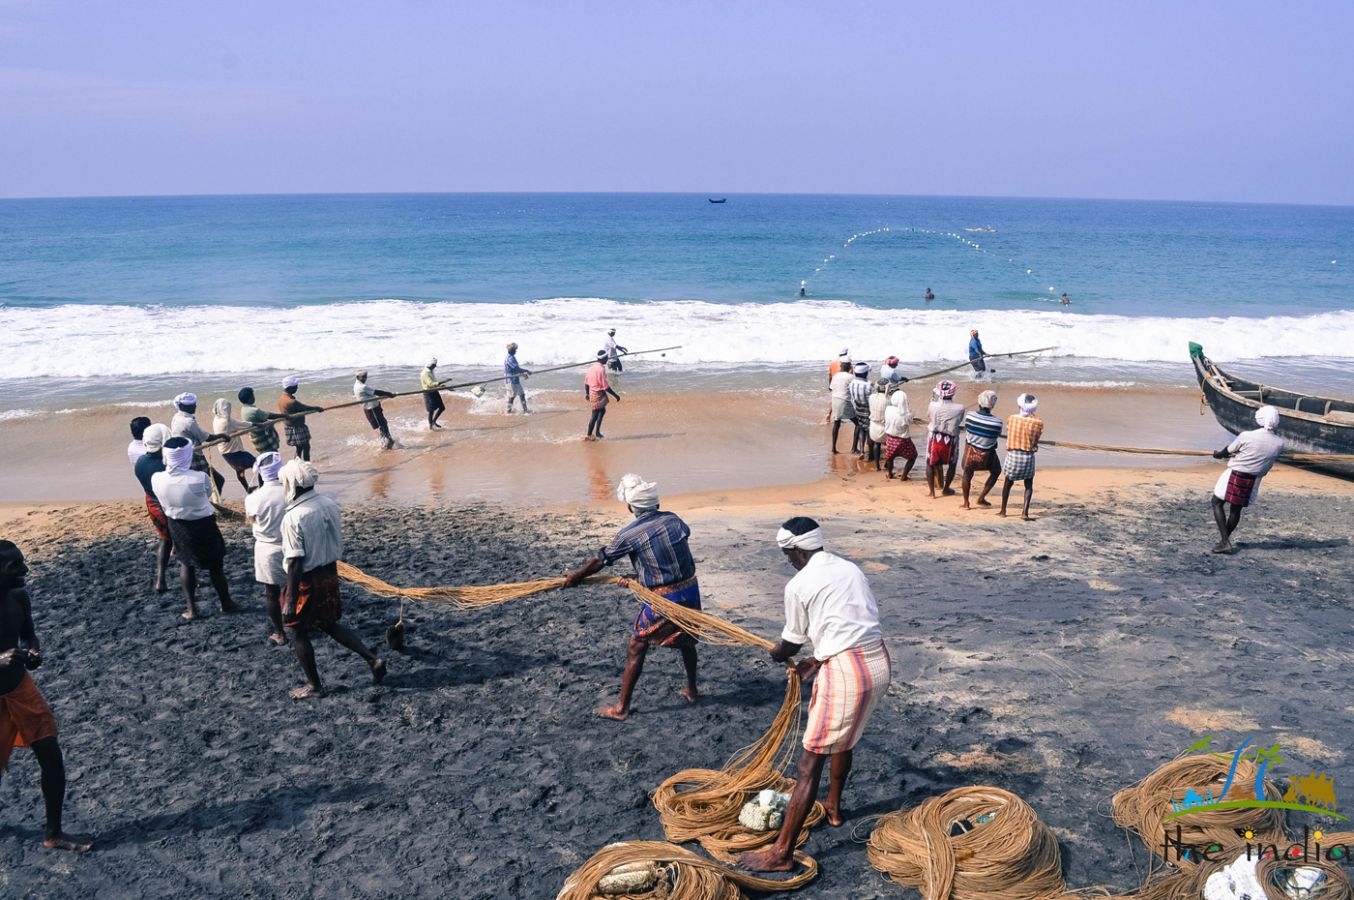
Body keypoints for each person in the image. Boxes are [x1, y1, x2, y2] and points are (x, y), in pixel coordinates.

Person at [739, 518, 891, 871]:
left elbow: (790, 641)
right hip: (877, 662)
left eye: (786, 554)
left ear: (795, 549)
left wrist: (777, 653)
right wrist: (820, 657)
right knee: (844, 739)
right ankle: (834, 808)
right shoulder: (849, 568)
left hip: (846, 674)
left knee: (809, 763)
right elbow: (851, 623)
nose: (787, 561)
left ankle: (781, 854)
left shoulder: (798, 584)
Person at [563, 474, 700, 721]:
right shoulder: (675, 520)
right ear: (656, 504)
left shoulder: (629, 534)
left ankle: (621, 709)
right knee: (686, 641)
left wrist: (576, 576)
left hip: (665, 598)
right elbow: (670, 555)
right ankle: (692, 689)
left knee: (637, 645)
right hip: (690, 590)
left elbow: (601, 559)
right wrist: (640, 575)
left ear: (629, 507)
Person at [0, 542, 92, 852]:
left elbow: (28, 634)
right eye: (15, 566)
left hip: (20, 689)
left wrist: (33, 650)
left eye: (22, 562)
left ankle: (54, 833)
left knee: (51, 756)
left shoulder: (18, 597)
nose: (24, 570)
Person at [278, 460, 385, 699]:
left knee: (296, 632)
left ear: (292, 485)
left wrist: (290, 601)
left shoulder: (293, 517)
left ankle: (314, 686)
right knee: (328, 624)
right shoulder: (329, 504)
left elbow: (295, 562)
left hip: (307, 579)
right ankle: (372, 659)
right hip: (330, 574)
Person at [152, 437, 237, 620]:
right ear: (187, 455)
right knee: (216, 566)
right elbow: (208, 494)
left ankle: (191, 609)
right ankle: (226, 603)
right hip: (204, 523)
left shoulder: (157, 478)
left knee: (186, 563)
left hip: (177, 524)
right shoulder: (199, 478)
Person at [1210, 406, 1285, 555]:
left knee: (1216, 502)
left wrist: (1217, 455)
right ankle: (1224, 541)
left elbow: (1229, 450)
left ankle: (1225, 541)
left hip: (1235, 474)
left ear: (1260, 419)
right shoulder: (1279, 443)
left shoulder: (1247, 436)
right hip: (1253, 479)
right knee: (1235, 510)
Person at [245, 452, 288, 645]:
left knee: (271, 592)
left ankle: (279, 633)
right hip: (293, 545)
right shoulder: (292, 491)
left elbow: (251, 520)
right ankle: (302, 623)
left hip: (267, 549)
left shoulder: (254, 498)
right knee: (295, 587)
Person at [133, 423, 174, 593]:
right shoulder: (165, 465)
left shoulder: (140, 463)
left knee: (165, 541)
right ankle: (193, 578)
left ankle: (160, 580)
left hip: (153, 507)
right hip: (169, 508)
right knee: (183, 543)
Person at [170, 392, 227, 494]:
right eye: (192, 405)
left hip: (182, 456)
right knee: (218, 480)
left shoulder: (176, 417)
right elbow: (207, 438)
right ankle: (211, 504)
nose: (195, 406)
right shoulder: (189, 422)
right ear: (183, 406)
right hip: (194, 457)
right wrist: (222, 436)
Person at [1000, 393, 1044, 520]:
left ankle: (1003, 511)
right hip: (1028, 456)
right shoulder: (1038, 422)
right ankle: (1024, 513)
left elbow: (1009, 430)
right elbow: (1036, 439)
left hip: (1013, 455)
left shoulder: (1012, 418)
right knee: (1028, 485)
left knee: (1008, 483)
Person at [961, 390, 1002, 509]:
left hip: (970, 454)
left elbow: (968, 429)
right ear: (992, 405)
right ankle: (981, 498)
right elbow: (994, 438)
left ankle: (966, 503)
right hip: (987, 456)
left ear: (979, 403)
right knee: (996, 471)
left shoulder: (970, 415)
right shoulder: (997, 422)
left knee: (967, 475)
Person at [926, 380, 964, 497]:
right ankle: (946, 488)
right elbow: (959, 420)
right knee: (952, 464)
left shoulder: (932, 405)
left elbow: (929, 415)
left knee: (930, 464)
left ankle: (932, 492)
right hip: (951, 439)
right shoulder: (960, 408)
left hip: (934, 437)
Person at [211, 398, 256, 494]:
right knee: (257, 465)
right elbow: (245, 425)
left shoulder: (216, 419)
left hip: (225, 452)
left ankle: (248, 489)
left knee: (239, 470)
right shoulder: (227, 422)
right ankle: (264, 485)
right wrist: (257, 424)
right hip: (235, 452)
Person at [278, 377, 324, 461]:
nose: (297, 388)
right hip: (297, 427)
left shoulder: (282, 398)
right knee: (306, 447)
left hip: (289, 426)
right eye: (295, 386)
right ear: (290, 388)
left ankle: (297, 465)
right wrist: (317, 408)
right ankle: (307, 466)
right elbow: (305, 408)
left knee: (299, 448)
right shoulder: (291, 402)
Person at [353, 370, 396, 449]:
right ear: (357, 377)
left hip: (373, 406)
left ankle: (386, 441)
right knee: (382, 424)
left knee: (382, 424)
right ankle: (387, 441)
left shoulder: (356, 385)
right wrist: (388, 394)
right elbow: (376, 392)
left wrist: (387, 395)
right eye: (363, 377)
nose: (365, 378)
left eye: (365, 376)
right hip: (371, 408)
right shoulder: (362, 387)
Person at [882, 385, 917, 480]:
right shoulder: (906, 414)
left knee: (890, 457)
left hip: (890, 438)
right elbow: (910, 421)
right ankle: (904, 476)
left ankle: (890, 474)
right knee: (913, 456)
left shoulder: (888, 409)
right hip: (903, 440)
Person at [584, 350, 621, 441]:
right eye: (606, 357)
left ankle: (597, 432)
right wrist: (615, 395)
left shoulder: (591, 367)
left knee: (602, 411)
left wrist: (587, 393)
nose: (607, 359)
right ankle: (588, 435)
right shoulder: (601, 369)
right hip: (597, 394)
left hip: (595, 392)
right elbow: (605, 386)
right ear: (603, 358)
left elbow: (586, 382)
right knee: (595, 415)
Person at [238, 387, 284, 455]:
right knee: (273, 456)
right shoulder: (254, 411)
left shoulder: (243, 409)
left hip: (255, 438)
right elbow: (269, 415)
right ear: (250, 398)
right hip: (264, 439)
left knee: (265, 456)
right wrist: (284, 415)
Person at [828, 361, 855, 454]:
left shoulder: (836, 376)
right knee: (859, 424)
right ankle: (854, 449)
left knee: (836, 423)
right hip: (845, 402)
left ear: (841, 367)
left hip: (835, 401)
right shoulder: (851, 377)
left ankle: (833, 449)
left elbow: (831, 388)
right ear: (849, 368)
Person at [848, 363, 873, 457]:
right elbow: (872, 399)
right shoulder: (868, 385)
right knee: (869, 431)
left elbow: (852, 398)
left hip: (857, 410)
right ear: (865, 373)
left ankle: (862, 451)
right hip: (868, 411)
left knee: (862, 429)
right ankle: (870, 454)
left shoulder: (852, 383)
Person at [867, 379, 889, 469]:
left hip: (873, 426)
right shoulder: (889, 400)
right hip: (885, 427)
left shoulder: (871, 397)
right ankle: (887, 463)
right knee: (889, 444)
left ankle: (877, 466)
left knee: (877, 443)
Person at [504, 343, 531, 414]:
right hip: (510, 381)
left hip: (515, 380)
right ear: (512, 351)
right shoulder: (509, 359)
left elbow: (516, 370)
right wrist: (526, 371)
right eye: (515, 350)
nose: (516, 351)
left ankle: (525, 411)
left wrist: (523, 374)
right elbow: (517, 369)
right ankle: (508, 412)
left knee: (522, 395)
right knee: (511, 397)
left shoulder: (512, 357)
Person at [421, 358, 445, 430]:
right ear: (430, 365)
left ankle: (434, 421)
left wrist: (439, 385)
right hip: (428, 392)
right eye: (434, 365)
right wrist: (439, 383)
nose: (435, 366)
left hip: (434, 390)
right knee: (431, 411)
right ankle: (431, 425)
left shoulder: (431, 371)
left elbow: (434, 381)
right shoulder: (425, 373)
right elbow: (430, 384)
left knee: (442, 407)